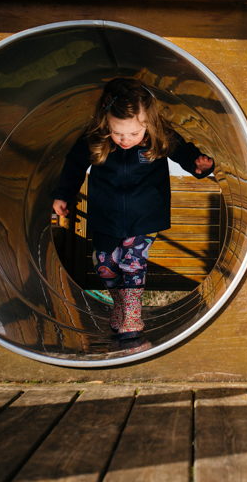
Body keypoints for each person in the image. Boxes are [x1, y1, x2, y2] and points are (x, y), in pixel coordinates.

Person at [51, 78, 214, 341]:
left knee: (132, 263)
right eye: (118, 133)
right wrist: (63, 195)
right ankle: (121, 304)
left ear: (148, 124)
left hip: (145, 215)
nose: (125, 139)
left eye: (134, 133)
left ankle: (132, 315)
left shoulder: (159, 136)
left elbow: (182, 151)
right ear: (106, 124)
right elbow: (74, 165)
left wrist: (197, 164)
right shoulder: (96, 138)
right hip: (107, 215)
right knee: (103, 263)